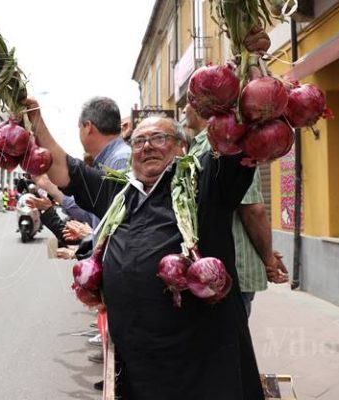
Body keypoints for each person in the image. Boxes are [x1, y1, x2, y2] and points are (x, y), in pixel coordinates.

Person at [25, 98, 263, 399]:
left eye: (159, 138)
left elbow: (238, 146)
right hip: (140, 368)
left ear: (181, 147)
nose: (147, 146)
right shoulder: (120, 192)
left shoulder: (205, 184)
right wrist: (36, 121)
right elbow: (63, 170)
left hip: (201, 368)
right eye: (139, 141)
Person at [183, 102, 289, 318]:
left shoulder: (228, 147)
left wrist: (269, 259)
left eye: (188, 102)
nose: (184, 109)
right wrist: (268, 256)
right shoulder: (202, 146)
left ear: (204, 107)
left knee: (230, 338)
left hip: (233, 270)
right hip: (217, 269)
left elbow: (252, 210)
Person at [61, 97, 131, 228]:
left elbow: (116, 224)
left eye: (79, 127)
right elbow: (95, 214)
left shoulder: (121, 160)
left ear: (88, 127)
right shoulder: (108, 160)